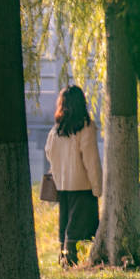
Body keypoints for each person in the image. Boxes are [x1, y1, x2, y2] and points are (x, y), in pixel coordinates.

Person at [45, 85, 102, 267]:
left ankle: (64, 259)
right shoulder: (85, 127)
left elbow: (49, 153)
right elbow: (91, 160)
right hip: (82, 185)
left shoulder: (56, 130)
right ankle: (72, 260)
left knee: (65, 224)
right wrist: (97, 187)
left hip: (62, 185)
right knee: (79, 225)